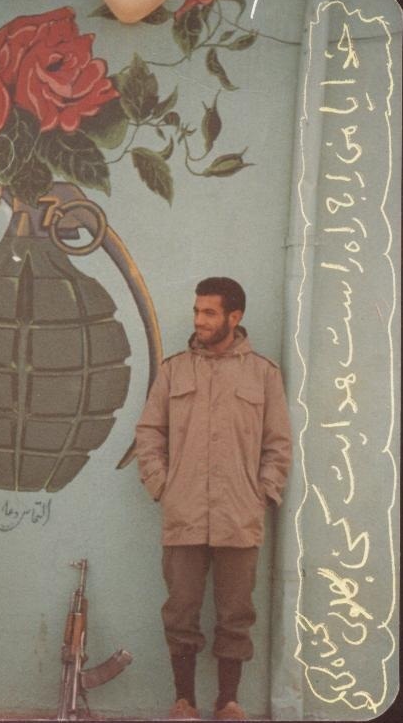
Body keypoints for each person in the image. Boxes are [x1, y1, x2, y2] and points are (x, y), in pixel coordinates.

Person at [136, 277, 291, 720]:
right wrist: (163, 486)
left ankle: (228, 702)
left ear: (233, 317)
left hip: (239, 518)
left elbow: (278, 444)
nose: (199, 320)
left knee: (236, 613)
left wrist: (261, 495)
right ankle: (184, 700)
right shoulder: (175, 371)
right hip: (183, 514)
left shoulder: (263, 374)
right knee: (180, 611)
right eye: (197, 311)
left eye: (209, 312)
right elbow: (149, 433)